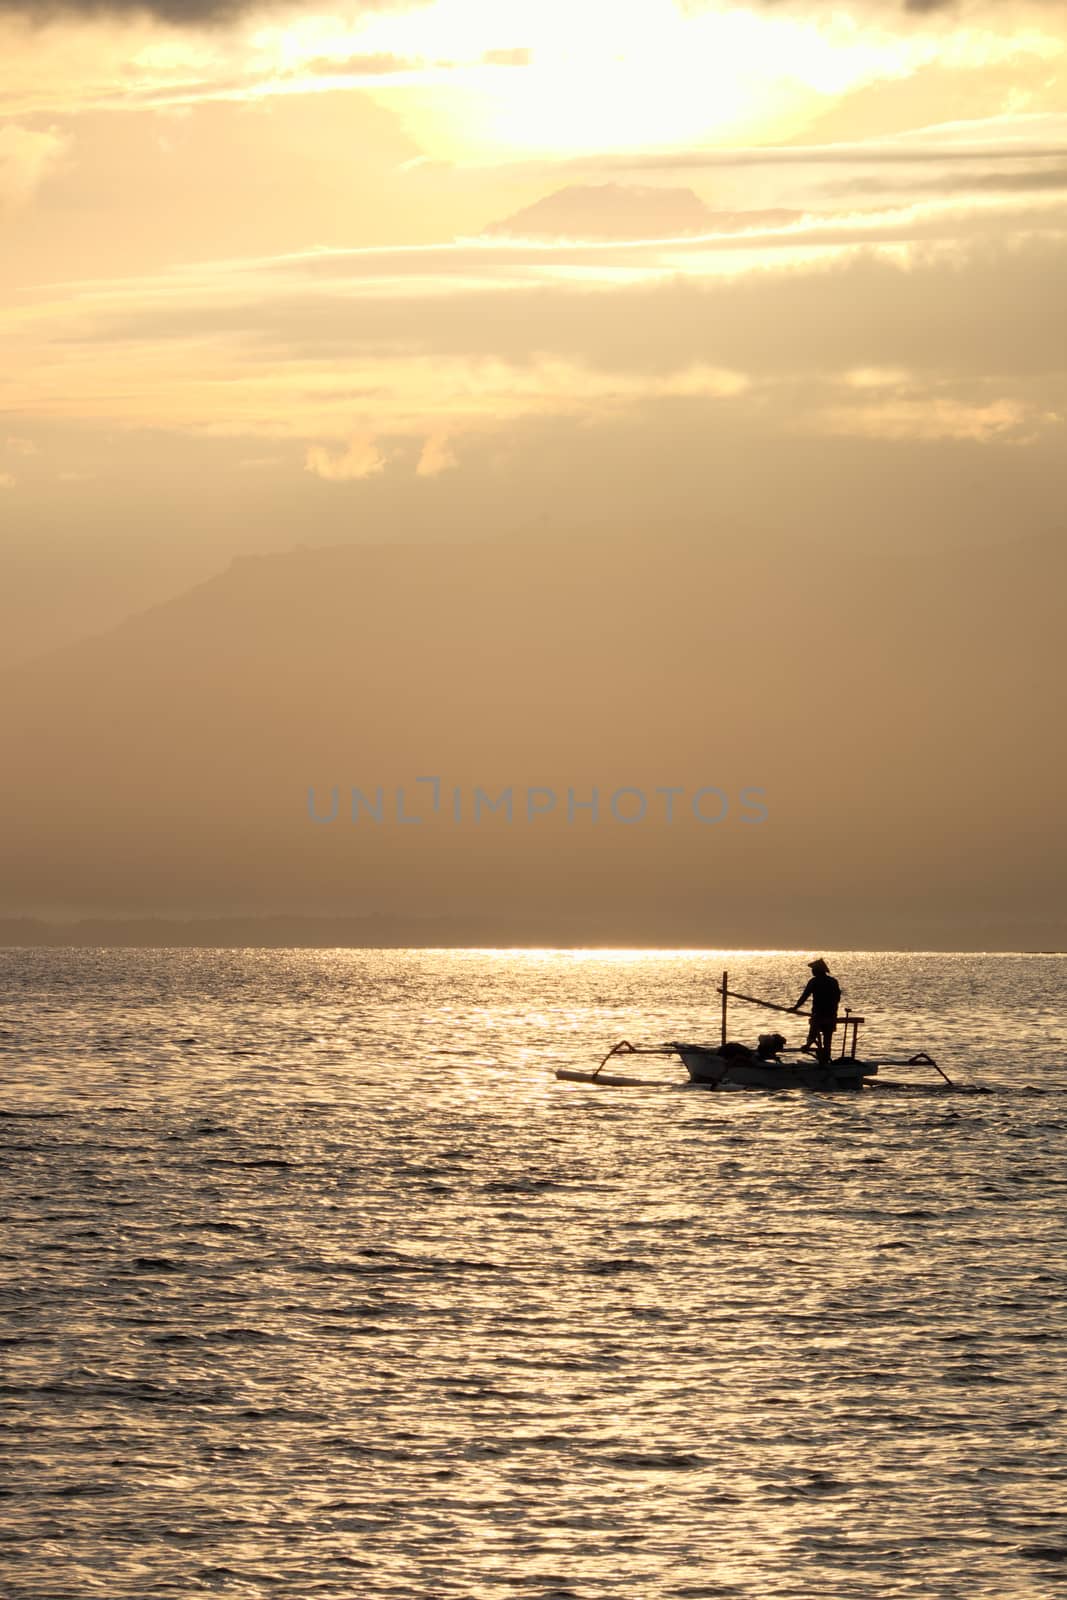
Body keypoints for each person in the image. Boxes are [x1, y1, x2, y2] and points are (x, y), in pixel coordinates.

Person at [792, 958, 840, 1065]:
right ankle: (825, 1059)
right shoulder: (833, 981)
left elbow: (804, 996)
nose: (812, 971)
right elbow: (837, 998)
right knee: (827, 1041)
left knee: (813, 1035)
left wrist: (795, 1007)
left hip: (819, 1016)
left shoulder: (814, 982)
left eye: (813, 969)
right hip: (831, 1016)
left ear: (818, 970)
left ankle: (809, 1046)